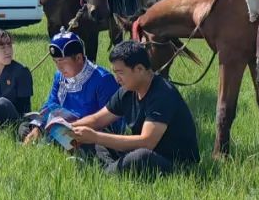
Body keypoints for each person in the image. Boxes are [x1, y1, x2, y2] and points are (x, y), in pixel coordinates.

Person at [68, 40, 200, 176]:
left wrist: (95, 137)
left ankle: (104, 173)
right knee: (93, 134)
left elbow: (147, 142)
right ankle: (112, 170)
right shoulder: (127, 91)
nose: (117, 78)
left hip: (173, 162)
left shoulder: (163, 93)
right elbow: (97, 120)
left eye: (120, 73)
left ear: (139, 69)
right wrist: (68, 128)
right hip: (141, 151)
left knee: (140, 157)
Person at [19, 29, 120, 144]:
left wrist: (75, 127)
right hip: (60, 127)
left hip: (88, 132)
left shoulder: (103, 79)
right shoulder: (59, 76)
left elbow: (112, 122)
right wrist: (37, 127)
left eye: (62, 61)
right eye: (55, 62)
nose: (58, 67)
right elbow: (51, 104)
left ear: (78, 58)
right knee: (25, 127)